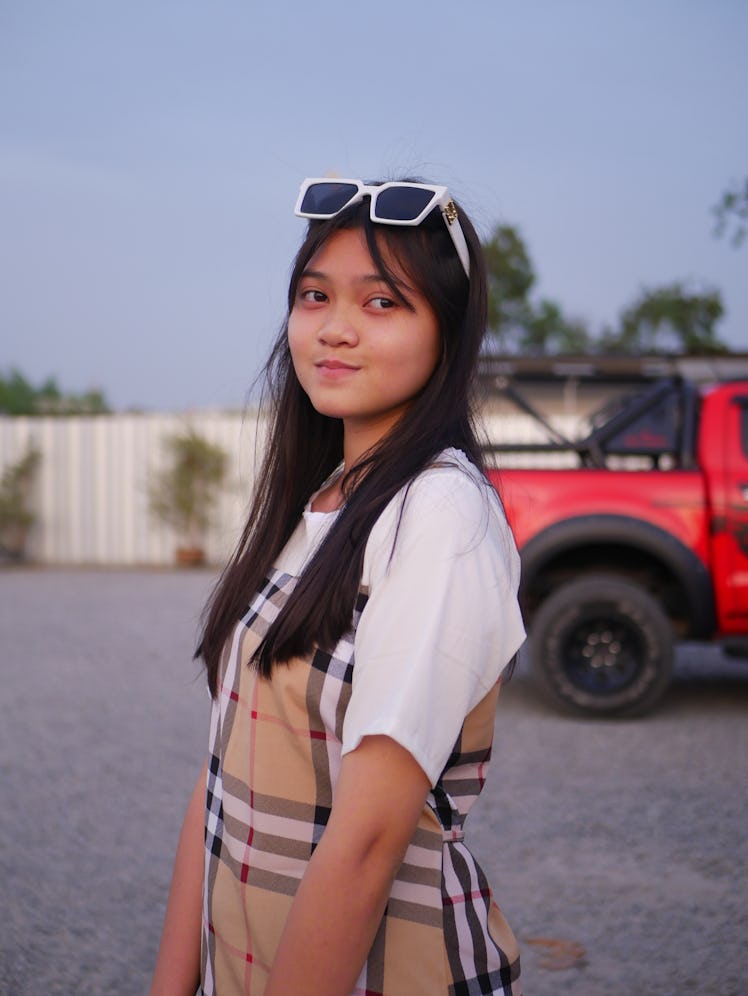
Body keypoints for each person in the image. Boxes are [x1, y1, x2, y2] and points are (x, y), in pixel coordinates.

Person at [150, 177, 526, 996]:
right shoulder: (321, 499)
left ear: (447, 333)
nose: (335, 329)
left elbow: (365, 844)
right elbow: (219, 782)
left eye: (383, 302)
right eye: (314, 296)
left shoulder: (439, 515)